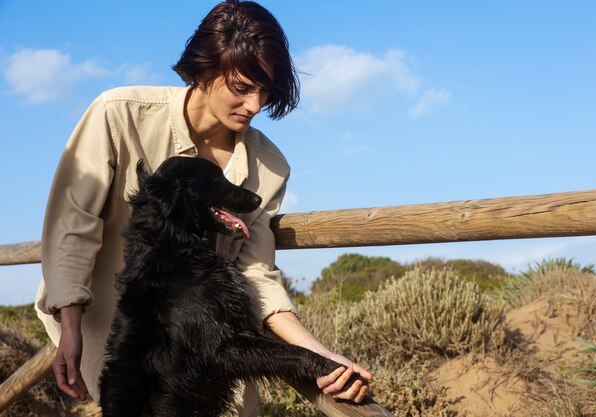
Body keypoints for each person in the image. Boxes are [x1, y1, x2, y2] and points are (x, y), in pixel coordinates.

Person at [34, 1, 372, 415]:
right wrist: (70, 328)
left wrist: (319, 353)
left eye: (265, 90)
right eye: (243, 87)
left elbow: (256, 273)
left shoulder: (270, 165)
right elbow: (72, 223)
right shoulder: (117, 114)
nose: (255, 106)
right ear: (203, 70)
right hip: (105, 323)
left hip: (204, 343)